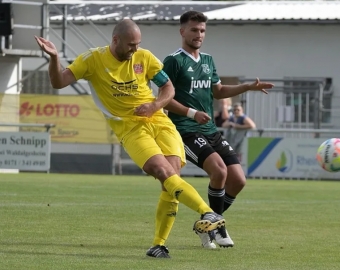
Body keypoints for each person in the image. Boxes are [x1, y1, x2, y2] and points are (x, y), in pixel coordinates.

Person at [34, 19, 226, 259]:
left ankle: (159, 245)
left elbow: (168, 88)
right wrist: (54, 58)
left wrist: (155, 104)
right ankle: (207, 212)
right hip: (130, 128)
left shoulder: (144, 57)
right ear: (115, 40)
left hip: (160, 122)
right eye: (130, 45)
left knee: (171, 180)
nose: (135, 49)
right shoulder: (92, 60)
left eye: (138, 44)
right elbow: (58, 82)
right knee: (161, 171)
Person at [163, 11, 274, 249]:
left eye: (202, 30)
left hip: (210, 130)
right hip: (185, 130)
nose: (199, 34)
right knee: (220, 172)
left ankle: (208, 224)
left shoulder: (208, 60)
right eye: (194, 30)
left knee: (239, 180)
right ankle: (216, 228)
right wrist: (191, 113)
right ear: (182, 31)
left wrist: (247, 87)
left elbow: (219, 91)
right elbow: (164, 98)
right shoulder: (173, 61)